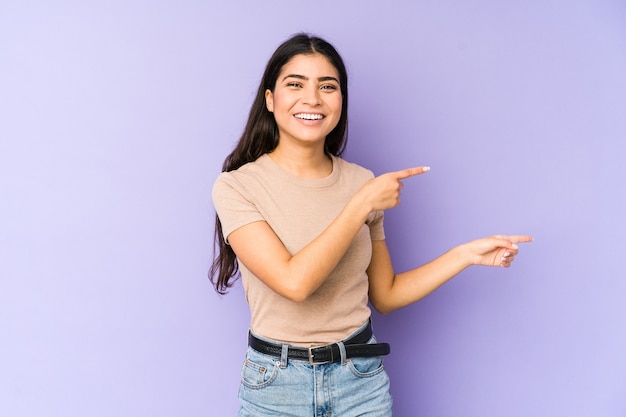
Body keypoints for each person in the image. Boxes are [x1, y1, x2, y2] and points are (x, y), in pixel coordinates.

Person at [210, 33, 532, 417]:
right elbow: (294, 283)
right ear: (270, 99)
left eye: (327, 86)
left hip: (359, 380)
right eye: (295, 84)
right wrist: (359, 205)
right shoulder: (238, 186)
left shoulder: (362, 181)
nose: (312, 98)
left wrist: (463, 256)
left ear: (340, 100)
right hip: (276, 386)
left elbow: (386, 294)